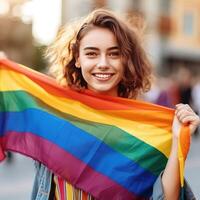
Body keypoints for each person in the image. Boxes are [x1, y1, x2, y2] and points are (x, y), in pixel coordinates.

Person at [1, 9, 200, 200]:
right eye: (92, 54)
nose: (103, 63)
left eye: (114, 54)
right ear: (77, 58)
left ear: (126, 60)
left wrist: (176, 140)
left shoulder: (143, 131)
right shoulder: (56, 113)